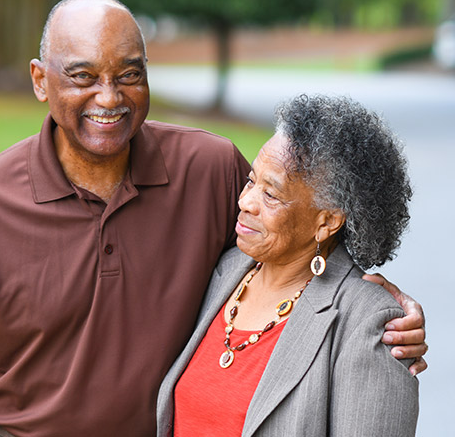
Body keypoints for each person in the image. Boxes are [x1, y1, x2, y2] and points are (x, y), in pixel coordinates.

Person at [0, 0, 425, 437]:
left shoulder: (211, 170)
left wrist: (377, 303)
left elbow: (297, 230)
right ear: (41, 80)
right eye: (82, 76)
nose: (109, 97)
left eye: (129, 75)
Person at [157, 94, 420, 436]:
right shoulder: (223, 271)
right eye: (252, 181)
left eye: (271, 195)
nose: (245, 201)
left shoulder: (370, 325)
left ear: (326, 222)